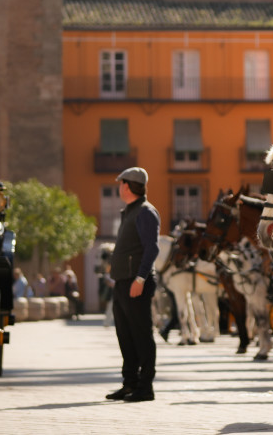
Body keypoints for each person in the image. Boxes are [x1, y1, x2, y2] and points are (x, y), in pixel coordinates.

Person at [105, 167, 160, 403]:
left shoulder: (146, 212)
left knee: (141, 336)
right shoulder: (129, 212)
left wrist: (140, 278)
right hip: (123, 282)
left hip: (136, 282)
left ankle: (145, 387)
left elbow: (152, 248)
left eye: (121, 183)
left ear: (127, 186)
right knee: (125, 336)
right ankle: (130, 383)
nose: (119, 187)